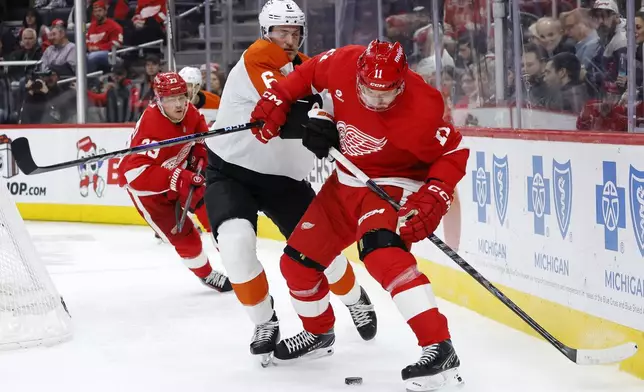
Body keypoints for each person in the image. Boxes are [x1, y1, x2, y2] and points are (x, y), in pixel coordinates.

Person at [249, 40, 469, 391]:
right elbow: (305, 74)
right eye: (369, 90)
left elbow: (453, 151)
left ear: (402, 81)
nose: (377, 100)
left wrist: (435, 194)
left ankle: (439, 347)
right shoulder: (343, 62)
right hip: (345, 181)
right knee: (297, 264)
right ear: (359, 76)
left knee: (382, 255)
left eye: (388, 93)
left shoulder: (423, 104)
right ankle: (318, 333)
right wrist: (280, 97)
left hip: (394, 183)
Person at [203, 0, 377, 365]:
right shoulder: (258, 57)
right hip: (231, 169)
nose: (289, 39)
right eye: (281, 31)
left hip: (283, 179)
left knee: (319, 254)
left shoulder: (310, 70)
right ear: (266, 33)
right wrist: (316, 119)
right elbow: (286, 107)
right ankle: (264, 322)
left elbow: (329, 111)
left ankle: (354, 298)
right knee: (235, 246)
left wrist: (330, 121)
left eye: (295, 32)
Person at [118, 71, 233, 293]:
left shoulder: (189, 110)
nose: (179, 104)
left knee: (214, 211)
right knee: (185, 238)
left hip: (181, 174)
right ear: (159, 101)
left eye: (182, 96)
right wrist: (178, 177)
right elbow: (134, 176)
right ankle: (207, 275)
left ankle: (236, 262)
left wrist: (200, 152)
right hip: (150, 193)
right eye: (171, 99)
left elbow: (200, 133)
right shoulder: (151, 129)